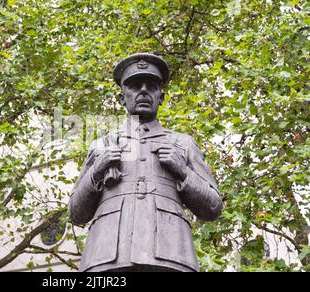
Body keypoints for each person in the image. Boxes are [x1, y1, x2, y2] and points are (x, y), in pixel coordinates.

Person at [68, 53, 223, 272]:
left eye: (151, 85)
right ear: (122, 97)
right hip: (105, 258)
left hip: (170, 257)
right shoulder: (101, 145)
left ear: (161, 97)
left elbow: (213, 208)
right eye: (134, 85)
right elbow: (76, 214)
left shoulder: (183, 143)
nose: (143, 90)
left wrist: (183, 171)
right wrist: (97, 170)